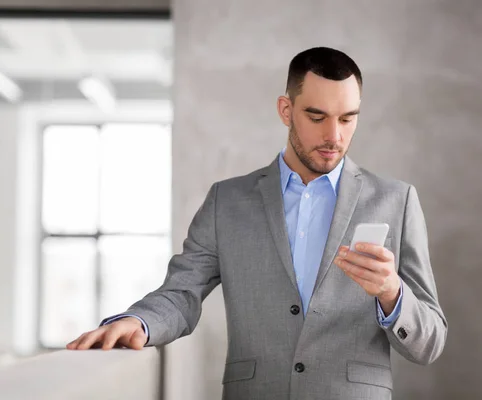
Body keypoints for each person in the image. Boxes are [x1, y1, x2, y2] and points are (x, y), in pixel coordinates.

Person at [67, 46, 447, 400]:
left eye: (347, 119)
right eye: (317, 117)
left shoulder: (396, 201)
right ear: (286, 110)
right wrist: (139, 320)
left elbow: (430, 341)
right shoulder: (227, 201)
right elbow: (181, 293)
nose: (335, 136)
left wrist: (392, 293)